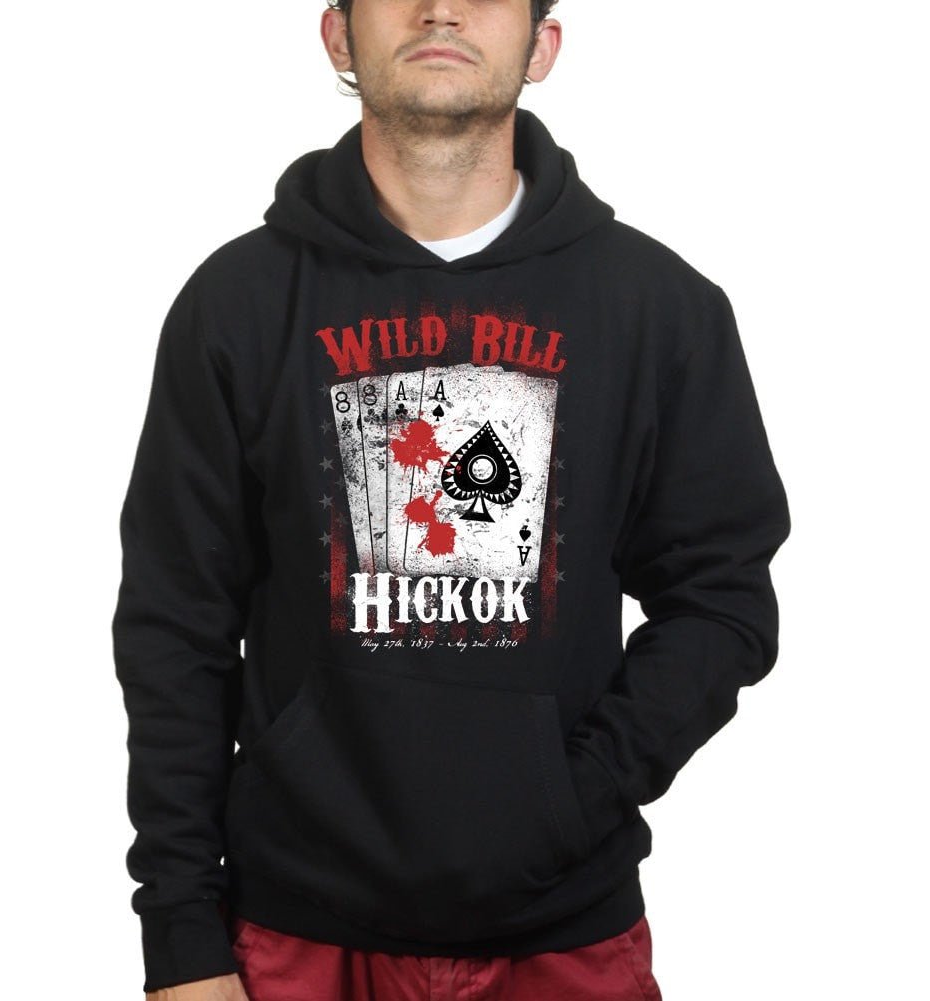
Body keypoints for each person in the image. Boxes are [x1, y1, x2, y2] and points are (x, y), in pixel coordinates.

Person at [111, 1, 791, 999]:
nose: (440, 6)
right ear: (338, 37)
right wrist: (179, 933)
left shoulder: (658, 308)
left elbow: (721, 601)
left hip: (563, 927)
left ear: (540, 45)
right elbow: (176, 625)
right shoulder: (237, 303)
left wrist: (575, 795)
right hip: (295, 926)